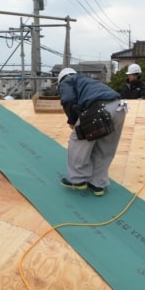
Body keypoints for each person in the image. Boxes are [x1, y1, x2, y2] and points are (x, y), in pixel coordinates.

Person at [57, 67, 126, 196]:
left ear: (61, 79)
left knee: (77, 141)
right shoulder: (87, 80)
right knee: (105, 146)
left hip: (100, 109)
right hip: (119, 108)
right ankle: (98, 183)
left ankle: (77, 180)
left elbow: (68, 100)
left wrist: (72, 121)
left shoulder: (67, 81)